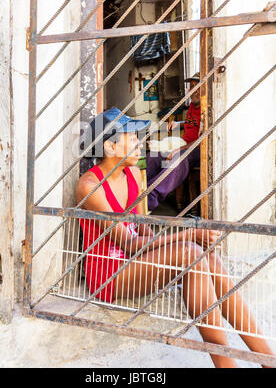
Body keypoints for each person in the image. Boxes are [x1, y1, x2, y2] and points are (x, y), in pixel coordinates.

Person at [75, 107, 274, 369]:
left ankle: (268, 360)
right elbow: (130, 243)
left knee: (206, 258)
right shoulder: (89, 186)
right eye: (132, 137)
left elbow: (143, 228)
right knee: (190, 252)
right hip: (109, 274)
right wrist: (187, 234)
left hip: (136, 262)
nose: (139, 142)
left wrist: (177, 240)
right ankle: (227, 365)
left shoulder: (132, 175)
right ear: (110, 148)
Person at [146, 72, 201, 211]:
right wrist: (180, 123)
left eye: (198, 86)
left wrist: (181, 150)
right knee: (156, 155)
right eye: (191, 86)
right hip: (184, 143)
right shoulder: (192, 107)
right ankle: (136, 188)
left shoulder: (207, 108)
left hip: (199, 148)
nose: (194, 89)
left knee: (178, 158)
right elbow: (193, 122)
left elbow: (204, 138)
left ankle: (149, 199)